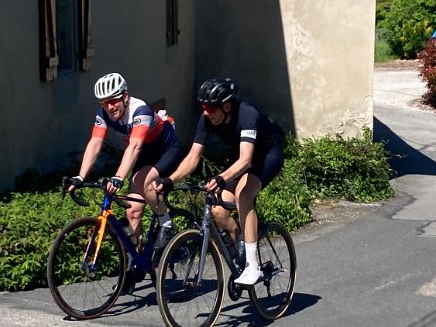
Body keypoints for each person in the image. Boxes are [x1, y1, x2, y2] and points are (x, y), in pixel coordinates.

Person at [154, 77, 286, 286]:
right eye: (203, 107)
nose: (206, 112)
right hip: (243, 157)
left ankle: (253, 266)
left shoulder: (247, 114)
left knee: (244, 194)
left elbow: (246, 160)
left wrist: (221, 177)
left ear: (226, 106)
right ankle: (241, 247)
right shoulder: (206, 119)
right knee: (218, 209)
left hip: (268, 154)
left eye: (210, 108)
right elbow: (193, 157)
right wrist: (170, 179)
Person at [65, 72, 184, 253]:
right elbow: (95, 143)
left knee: (144, 181)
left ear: (125, 96)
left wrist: (119, 177)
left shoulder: (140, 110)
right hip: (145, 153)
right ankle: (135, 262)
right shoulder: (104, 114)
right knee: (132, 212)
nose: (110, 107)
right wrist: (80, 176)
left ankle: (166, 224)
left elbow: (134, 146)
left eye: (114, 101)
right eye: (105, 103)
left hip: (166, 150)